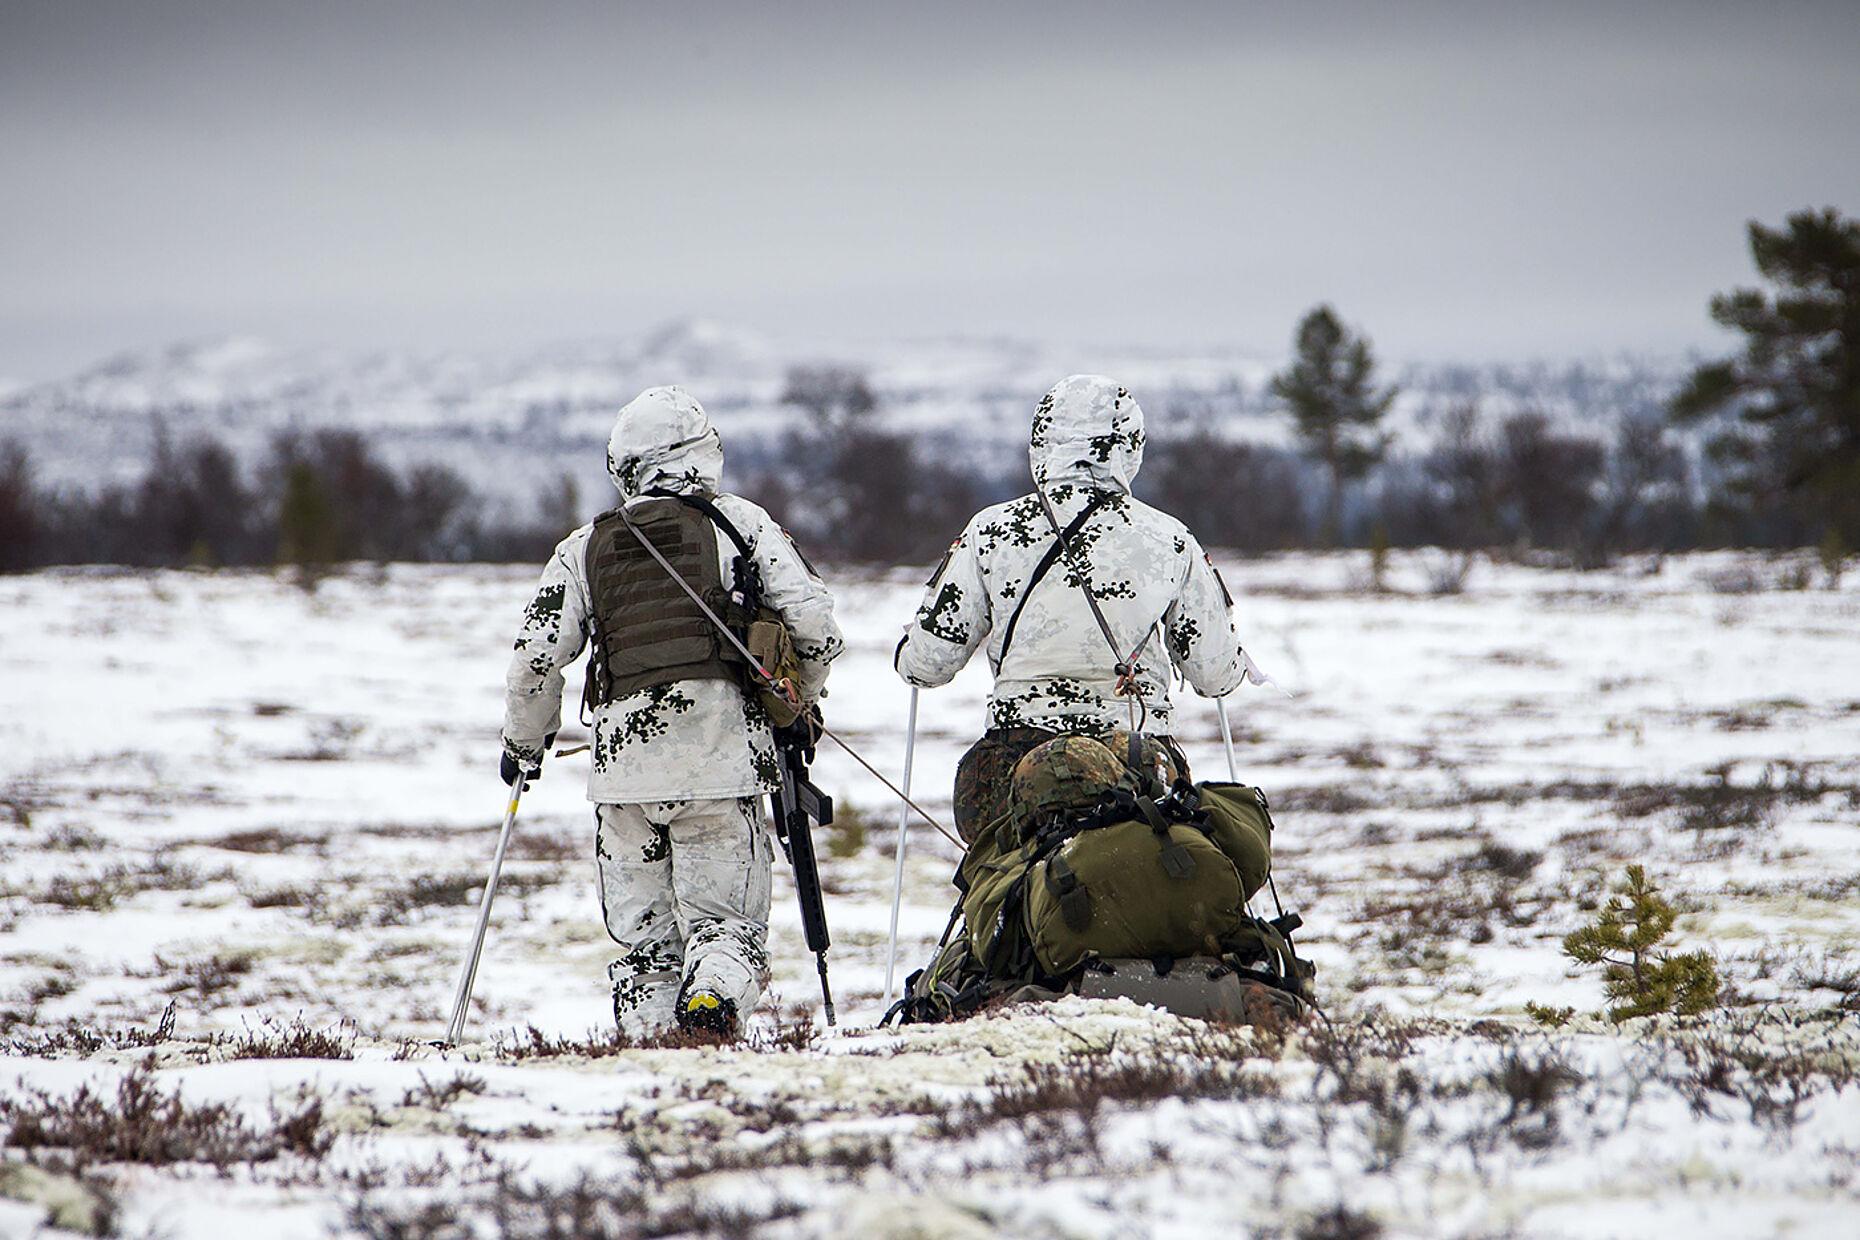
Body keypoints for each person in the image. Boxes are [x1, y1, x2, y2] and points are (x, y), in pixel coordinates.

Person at [501, 386, 843, 1039]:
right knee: (727, 935)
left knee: (645, 951)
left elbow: (534, 665)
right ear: (703, 454)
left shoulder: (583, 548)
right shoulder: (741, 523)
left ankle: (650, 1056)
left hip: (622, 784)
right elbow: (818, 630)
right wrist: (796, 702)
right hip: (721, 768)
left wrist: (524, 745)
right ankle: (710, 1009)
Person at [894, 374, 1257, 840]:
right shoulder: (1170, 539)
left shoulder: (990, 531)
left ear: (1041, 444)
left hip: (1014, 763)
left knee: (999, 882)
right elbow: (1213, 674)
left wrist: (907, 652)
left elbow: (928, 665)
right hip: (1137, 763)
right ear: (1130, 446)